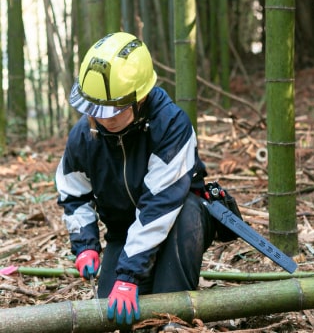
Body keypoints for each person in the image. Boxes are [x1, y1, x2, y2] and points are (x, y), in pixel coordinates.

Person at [55, 32, 216, 326]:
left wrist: (129, 275)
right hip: (124, 231)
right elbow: (73, 192)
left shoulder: (171, 125)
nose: (105, 118)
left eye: (114, 110)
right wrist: (85, 243)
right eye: (97, 109)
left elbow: (160, 205)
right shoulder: (83, 135)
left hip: (177, 223)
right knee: (114, 318)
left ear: (141, 97)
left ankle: (174, 322)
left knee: (164, 311)